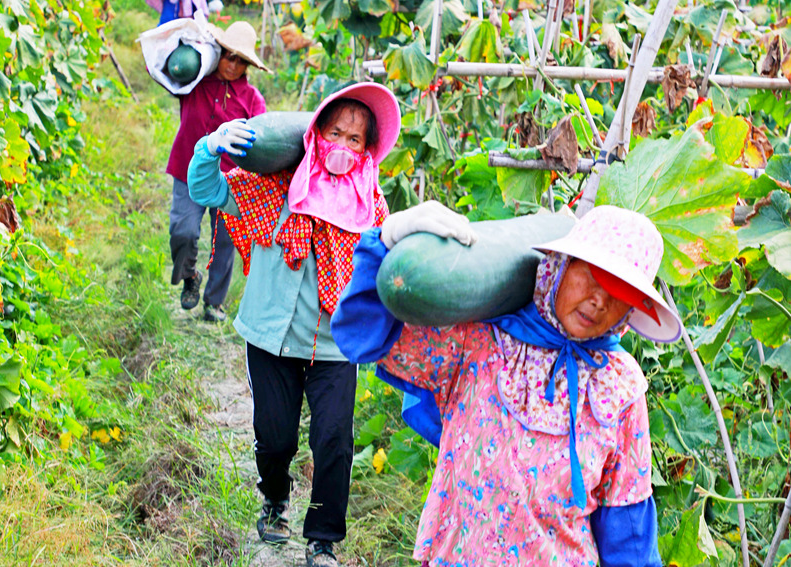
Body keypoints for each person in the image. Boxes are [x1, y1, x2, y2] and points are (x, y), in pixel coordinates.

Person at [330, 202, 683, 566]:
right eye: (592, 276)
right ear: (562, 266)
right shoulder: (481, 344)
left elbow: (627, 529)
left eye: (619, 292)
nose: (599, 300)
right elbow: (365, 335)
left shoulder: (620, 388)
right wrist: (384, 242)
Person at [186, 83, 402, 567]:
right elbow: (205, 188)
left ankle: (323, 539)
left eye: (355, 140)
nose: (343, 147)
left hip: (334, 345)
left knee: (333, 441)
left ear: (367, 150)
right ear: (314, 135)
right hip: (270, 337)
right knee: (275, 435)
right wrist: (210, 146)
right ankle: (275, 500)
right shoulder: (273, 187)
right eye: (335, 133)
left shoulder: (370, 207)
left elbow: (390, 267)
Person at [166, 21, 268, 322]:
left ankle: (213, 303)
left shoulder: (252, 99)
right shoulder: (193, 82)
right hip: (188, 168)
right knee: (182, 231)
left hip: (230, 179)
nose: (232, 65)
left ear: (248, 64)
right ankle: (189, 277)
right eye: (227, 56)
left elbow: (261, 142)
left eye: (240, 60)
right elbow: (161, 70)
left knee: (225, 241)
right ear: (216, 54)